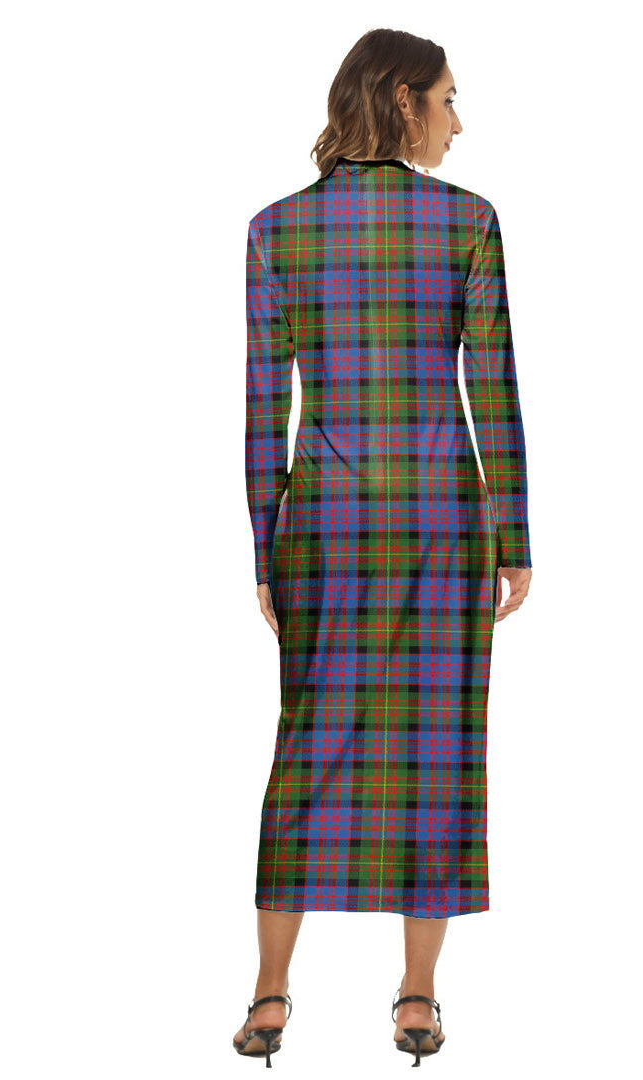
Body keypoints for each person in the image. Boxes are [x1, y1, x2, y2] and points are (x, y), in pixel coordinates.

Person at [235, 28, 533, 1066]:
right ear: (404, 101)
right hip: (444, 525)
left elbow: (263, 407)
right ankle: (416, 998)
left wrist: (266, 545)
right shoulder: (467, 223)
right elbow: (492, 387)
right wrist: (516, 535)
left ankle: (270, 995)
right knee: (438, 752)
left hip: (323, 529)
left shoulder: (277, 231)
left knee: (306, 749)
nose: (458, 120)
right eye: (447, 99)